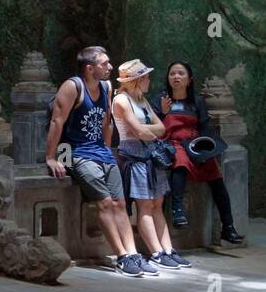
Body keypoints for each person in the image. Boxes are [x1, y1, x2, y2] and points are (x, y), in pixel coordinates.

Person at [45, 46, 156, 277]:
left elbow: (107, 122)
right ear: (89, 68)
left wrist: (106, 151)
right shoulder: (72, 86)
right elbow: (57, 122)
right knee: (105, 202)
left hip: (100, 152)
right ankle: (122, 257)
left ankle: (133, 253)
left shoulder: (106, 86)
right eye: (104, 63)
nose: (110, 67)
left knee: (121, 204)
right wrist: (52, 157)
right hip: (76, 152)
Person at [112, 60, 189, 270]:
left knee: (157, 204)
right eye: (145, 77)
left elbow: (161, 128)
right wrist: (148, 130)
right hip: (134, 157)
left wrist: (148, 130)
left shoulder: (142, 100)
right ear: (136, 80)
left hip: (152, 155)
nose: (148, 80)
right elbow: (139, 132)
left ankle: (167, 250)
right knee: (145, 206)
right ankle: (155, 252)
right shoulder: (121, 100)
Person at [157, 61, 244, 245]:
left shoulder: (197, 101)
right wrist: (163, 113)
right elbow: (154, 125)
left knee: (215, 174)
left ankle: (228, 227)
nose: (176, 77)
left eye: (181, 73)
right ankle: (177, 211)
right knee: (179, 162)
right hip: (171, 144)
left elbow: (204, 127)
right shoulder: (162, 99)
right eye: (172, 73)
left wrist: (205, 150)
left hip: (193, 144)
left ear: (189, 79)